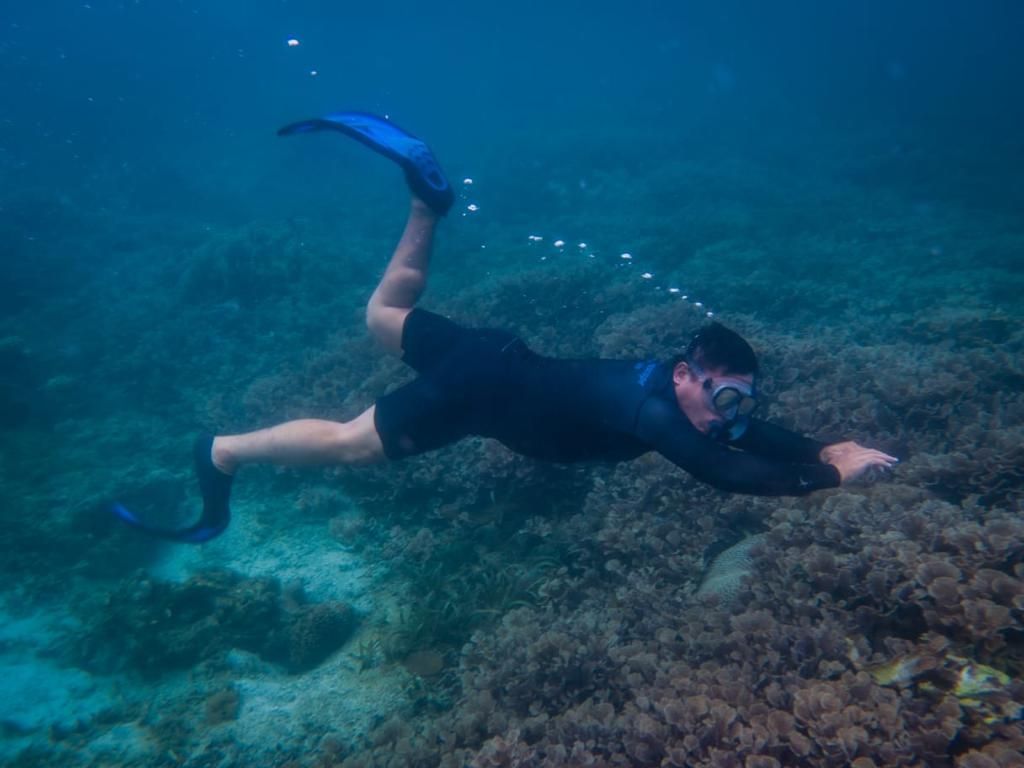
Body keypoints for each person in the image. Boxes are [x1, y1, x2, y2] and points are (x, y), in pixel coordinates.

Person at [113, 112, 899, 543]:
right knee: (351, 446)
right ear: (688, 373)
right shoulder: (654, 410)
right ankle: (220, 452)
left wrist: (815, 447)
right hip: (478, 392)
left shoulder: (676, 386)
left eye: (740, 402)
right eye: (724, 398)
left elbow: (744, 439)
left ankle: (426, 200)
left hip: (497, 355)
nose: (731, 415)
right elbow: (727, 471)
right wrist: (828, 475)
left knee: (380, 316)